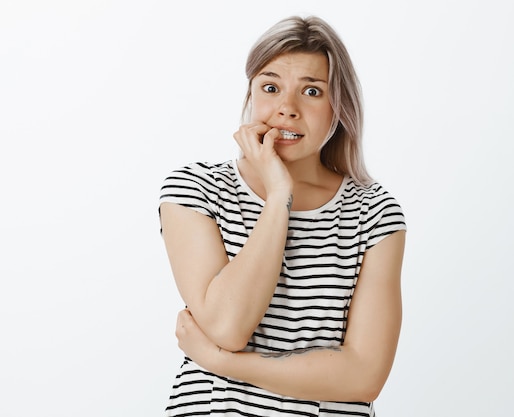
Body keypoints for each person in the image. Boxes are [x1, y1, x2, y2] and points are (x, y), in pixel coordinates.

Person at [158, 15, 406, 417]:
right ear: (251, 95)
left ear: (338, 106)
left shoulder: (373, 213)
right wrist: (278, 197)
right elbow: (227, 325)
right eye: (270, 87)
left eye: (311, 91)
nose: (287, 109)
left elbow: (364, 376)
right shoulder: (195, 189)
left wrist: (223, 363)